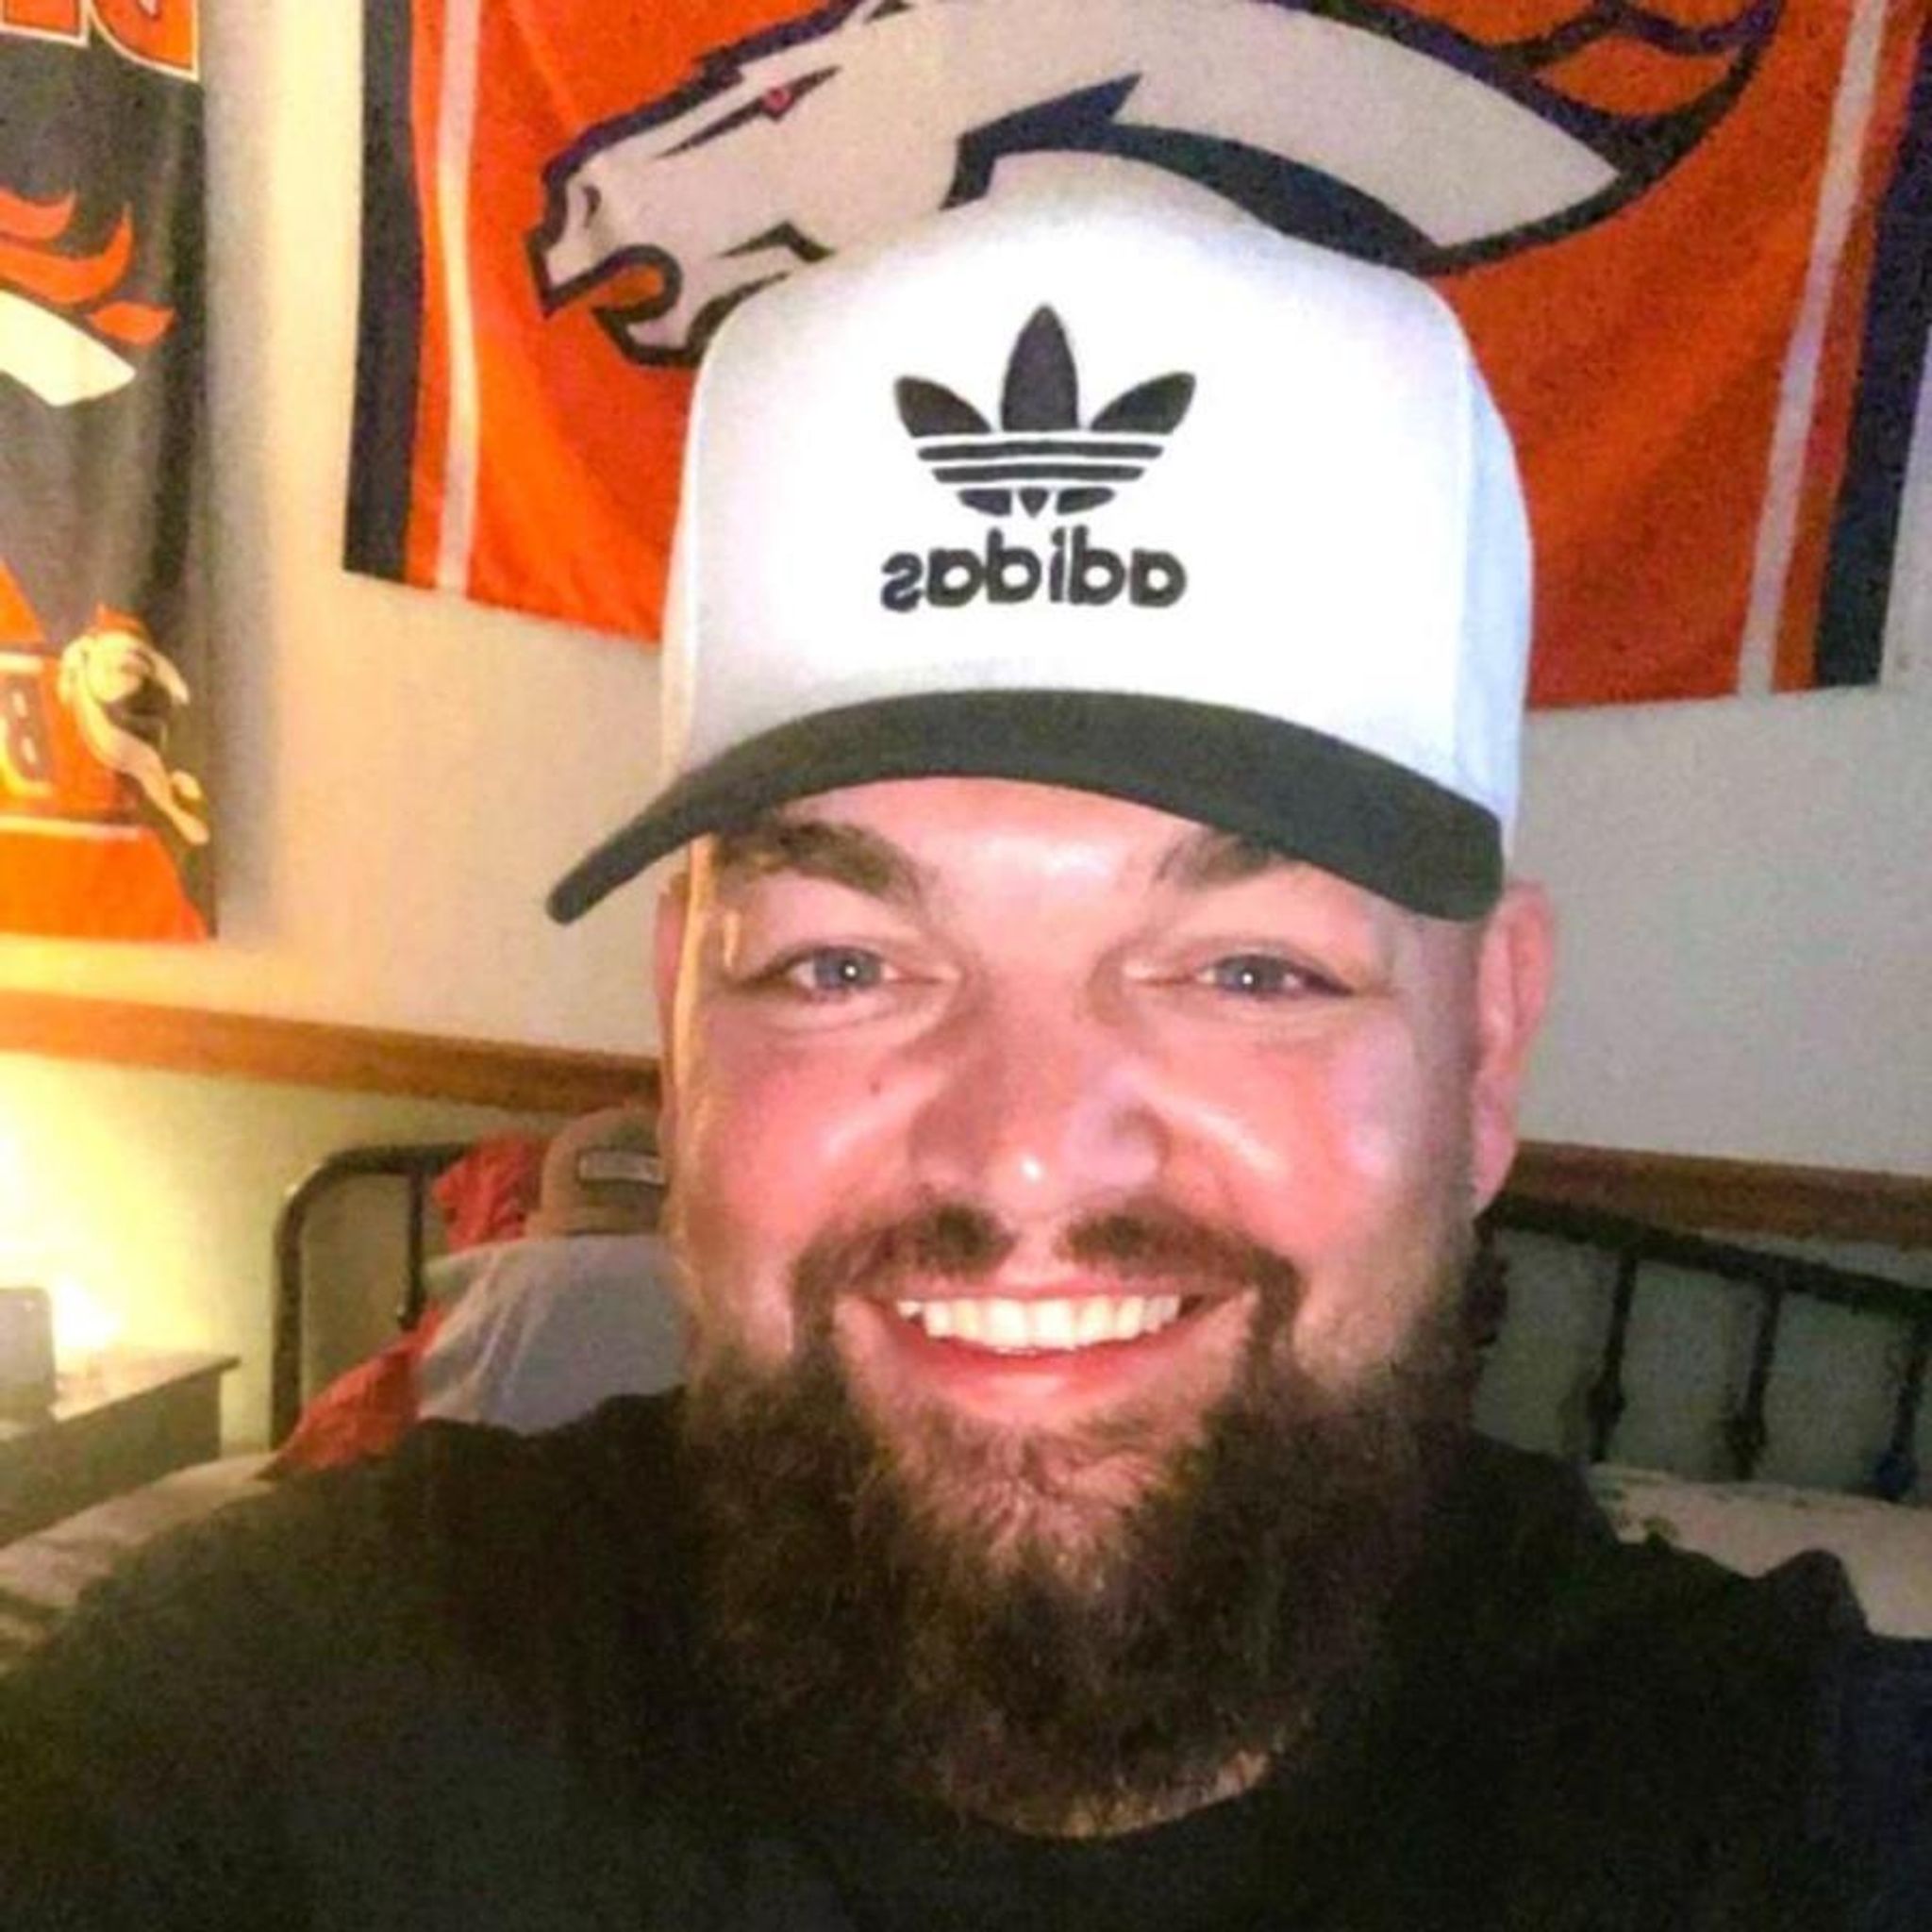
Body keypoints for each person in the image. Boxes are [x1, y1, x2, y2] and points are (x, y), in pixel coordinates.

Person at [0, 173, 1915, 1930]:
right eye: (843, 963)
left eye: (1249, 969)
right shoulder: (261, 1717)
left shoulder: (1781, 1804)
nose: (1023, 1155)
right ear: (679, 1030)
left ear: (1484, 1047)